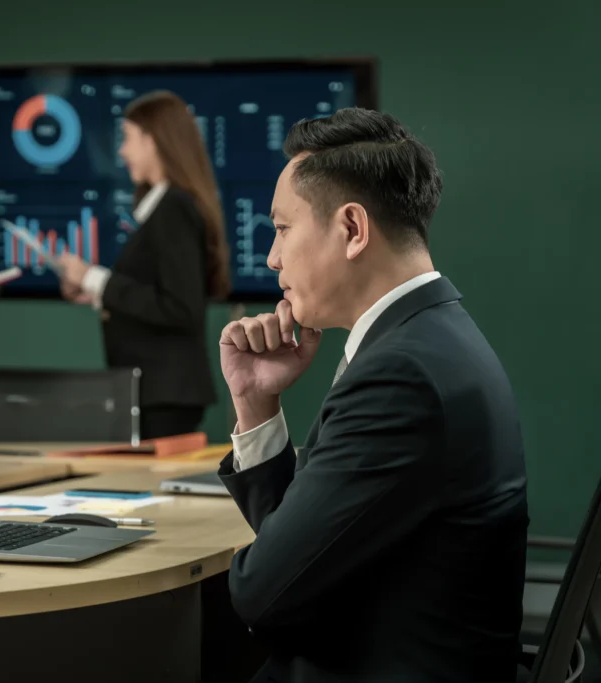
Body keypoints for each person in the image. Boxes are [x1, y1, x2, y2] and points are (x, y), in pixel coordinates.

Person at [217, 108, 528, 682]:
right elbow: (301, 557)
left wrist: (265, 575)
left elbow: (263, 592)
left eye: (283, 228)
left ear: (353, 229)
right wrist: (256, 405)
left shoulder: (401, 375)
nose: (272, 258)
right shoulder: (433, 337)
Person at [56, 90, 230, 440]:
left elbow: (180, 307)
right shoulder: (166, 208)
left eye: (128, 139)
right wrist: (99, 295)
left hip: (165, 394)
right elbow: (157, 295)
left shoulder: (173, 209)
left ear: (154, 141)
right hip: (158, 392)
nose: (121, 151)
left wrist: (95, 279)